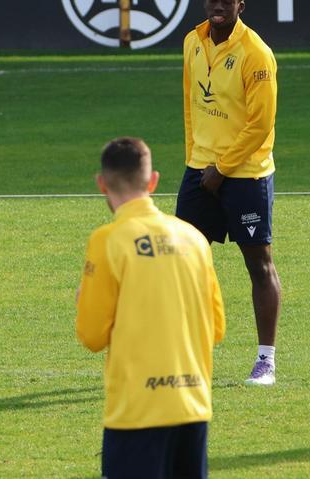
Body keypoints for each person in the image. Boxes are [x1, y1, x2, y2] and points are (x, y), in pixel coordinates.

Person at [76, 137, 226, 479]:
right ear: (153, 180)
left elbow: (92, 335)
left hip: (136, 411)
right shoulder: (194, 239)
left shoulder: (108, 241)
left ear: (102, 184)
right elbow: (216, 328)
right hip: (193, 407)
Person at [178, 0, 280, 385]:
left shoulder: (256, 54)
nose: (218, 7)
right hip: (199, 170)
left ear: (241, 3)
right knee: (185, 262)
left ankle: (266, 360)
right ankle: (189, 354)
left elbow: (261, 124)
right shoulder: (192, 41)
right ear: (205, 0)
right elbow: (191, 106)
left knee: (259, 264)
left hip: (246, 174)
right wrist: (195, 158)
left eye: (227, 0)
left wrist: (222, 166)